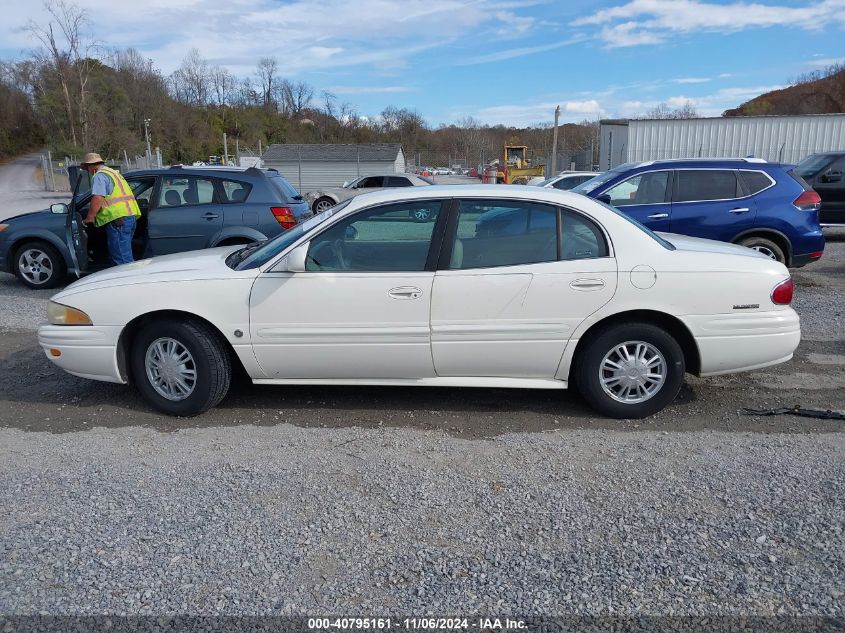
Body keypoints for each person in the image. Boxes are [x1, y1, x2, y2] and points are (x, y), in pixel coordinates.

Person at [80, 152, 141, 266]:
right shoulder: (113, 173)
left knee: (122, 259)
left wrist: (90, 217)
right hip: (129, 217)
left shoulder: (99, 175)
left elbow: (98, 197)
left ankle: (126, 281)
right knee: (124, 254)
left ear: (91, 166)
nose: (87, 170)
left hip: (118, 220)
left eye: (87, 167)